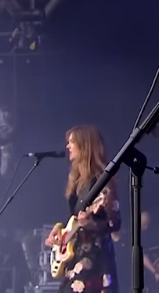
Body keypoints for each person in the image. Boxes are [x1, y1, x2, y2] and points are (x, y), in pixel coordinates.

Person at [45, 125, 120, 293]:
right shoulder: (78, 181)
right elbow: (75, 218)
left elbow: (115, 221)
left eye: (72, 142)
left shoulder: (101, 180)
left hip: (94, 263)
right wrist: (59, 227)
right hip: (75, 261)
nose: (68, 146)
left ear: (84, 146)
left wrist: (91, 224)